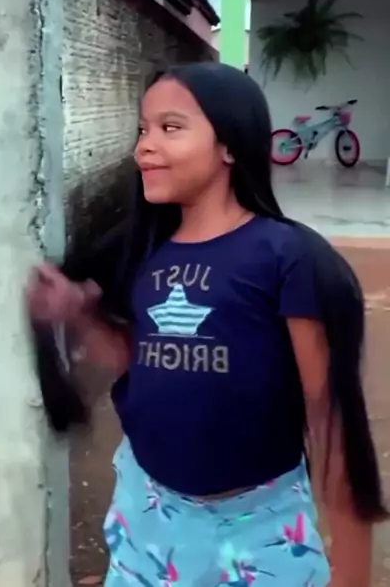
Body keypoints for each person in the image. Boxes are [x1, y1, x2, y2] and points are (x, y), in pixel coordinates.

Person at [26, 62, 386, 587]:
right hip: (147, 510)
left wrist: (351, 575)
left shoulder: (285, 258)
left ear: (230, 145)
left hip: (259, 527)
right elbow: (142, 359)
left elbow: (330, 424)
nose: (144, 148)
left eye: (170, 128)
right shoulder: (143, 250)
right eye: (143, 130)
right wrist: (75, 313)